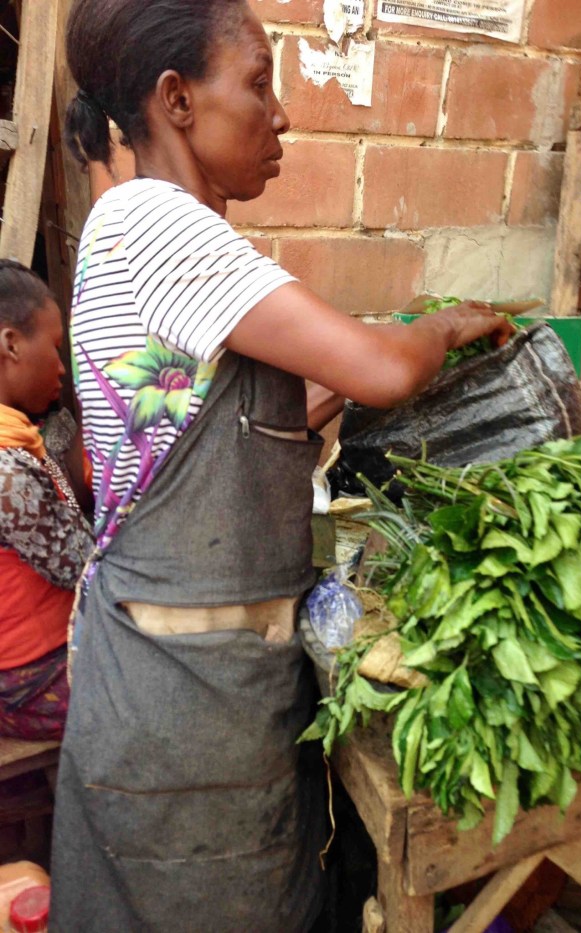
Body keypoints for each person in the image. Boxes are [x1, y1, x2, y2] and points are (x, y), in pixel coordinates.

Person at [52, 1, 514, 929]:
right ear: (177, 100)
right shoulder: (154, 221)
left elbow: (215, 430)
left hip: (196, 679)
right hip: (185, 700)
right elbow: (382, 368)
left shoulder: (139, 232)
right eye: (258, 83)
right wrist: (443, 326)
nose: (282, 115)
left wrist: (350, 384)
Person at [0, 260, 93, 742]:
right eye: (56, 349)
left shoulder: (19, 439)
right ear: (11, 344)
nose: (63, 368)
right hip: (23, 681)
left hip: (32, 664)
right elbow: (85, 568)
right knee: (160, 688)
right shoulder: (6, 473)